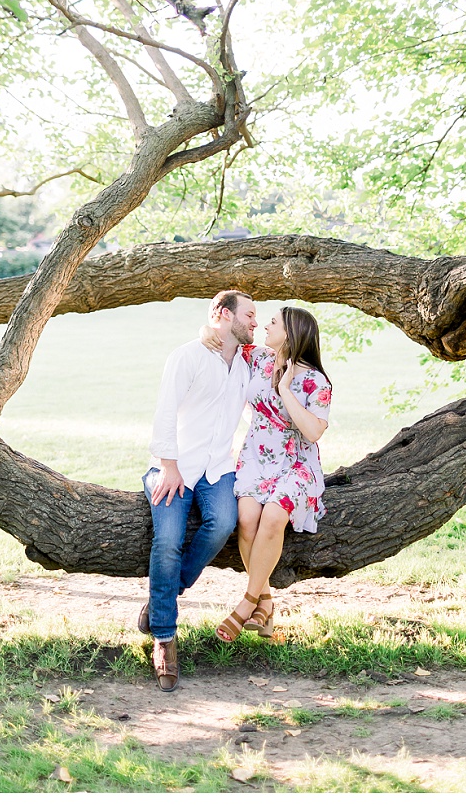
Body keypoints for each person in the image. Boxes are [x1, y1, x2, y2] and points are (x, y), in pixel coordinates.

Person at [138, 290, 257, 692]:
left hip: (218, 468)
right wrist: (169, 466)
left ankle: (160, 600)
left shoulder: (246, 363)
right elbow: (165, 411)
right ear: (224, 314)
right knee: (168, 541)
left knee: (223, 523)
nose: (256, 322)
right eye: (250, 315)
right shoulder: (187, 355)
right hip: (174, 466)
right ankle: (165, 639)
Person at [213, 305, 332, 642]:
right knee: (247, 518)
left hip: (296, 464)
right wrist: (210, 330)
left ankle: (246, 602)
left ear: (291, 333)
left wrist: (285, 390)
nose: (265, 326)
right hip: (256, 458)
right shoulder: (259, 358)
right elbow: (225, 339)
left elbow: (313, 432)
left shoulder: (315, 381)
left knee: (274, 516)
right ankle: (265, 601)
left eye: (273, 323)